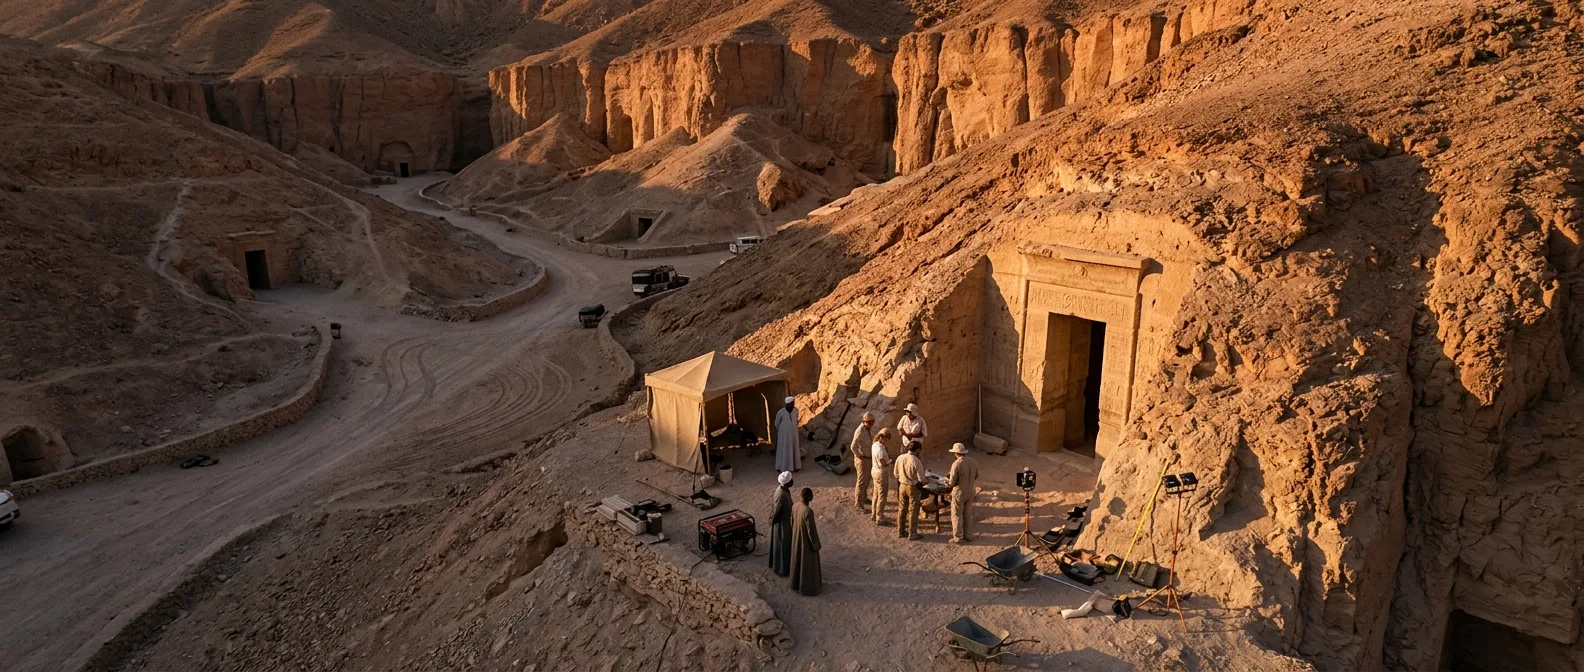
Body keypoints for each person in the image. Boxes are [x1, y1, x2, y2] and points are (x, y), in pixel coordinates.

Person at [789, 487, 822, 596]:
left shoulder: (795, 506)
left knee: (797, 562)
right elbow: (811, 531)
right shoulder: (808, 512)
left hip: (796, 538)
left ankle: (795, 584)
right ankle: (807, 588)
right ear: (809, 497)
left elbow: (792, 522)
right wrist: (816, 545)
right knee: (806, 565)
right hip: (805, 543)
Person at [946, 442, 980, 543]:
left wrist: (948, 480)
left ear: (956, 453)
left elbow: (952, 482)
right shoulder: (973, 461)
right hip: (970, 491)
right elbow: (976, 475)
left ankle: (957, 537)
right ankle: (968, 535)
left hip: (959, 492)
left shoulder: (956, 464)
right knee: (968, 514)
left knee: (957, 514)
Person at [894, 440, 927, 540]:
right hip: (912, 487)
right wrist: (927, 481)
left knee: (902, 508)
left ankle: (901, 531)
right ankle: (912, 533)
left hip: (902, 486)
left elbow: (895, 473)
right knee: (913, 510)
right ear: (917, 450)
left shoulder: (900, 458)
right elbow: (921, 479)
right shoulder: (916, 461)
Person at [769, 471, 794, 576]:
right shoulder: (781, 494)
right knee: (782, 545)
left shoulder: (785, 491)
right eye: (791, 480)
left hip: (786, 522)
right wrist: (772, 521)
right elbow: (776, 511)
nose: (792, 481)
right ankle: (781, 569)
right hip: (782, 524)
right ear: (787, 482)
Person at [849, 412, 876, 510]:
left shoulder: (867, 429)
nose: (871, 424)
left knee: (867, 480)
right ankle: (858, 504)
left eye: (872, 422)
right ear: (864, 422)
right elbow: (853, 446)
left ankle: (864, 498)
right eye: (869, 422)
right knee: (861, 482)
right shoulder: (860, 430)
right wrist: (858, 454)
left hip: (868, 458)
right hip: (862, 459)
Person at [869, 428, 894, 524]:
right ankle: (880, 517)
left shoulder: (875, 444)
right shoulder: (881, 450)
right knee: (882, 495)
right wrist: (890, 461)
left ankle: (874, 514)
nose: (887, 441)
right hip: (881, 473)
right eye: (887, 439)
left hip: (874, 471)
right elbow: (883, 463)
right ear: (883, 437)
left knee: (876, 493)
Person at [774, 396, 801, 472]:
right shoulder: (780, 412)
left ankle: (795, 467)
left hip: (794, 434)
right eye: (790, 404)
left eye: (793, 403)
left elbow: (796, 421)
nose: (792, 405)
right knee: (784, 450)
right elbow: (776, 423)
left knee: (794, 449)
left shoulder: (796, 411)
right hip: (784, 436)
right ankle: (781, 467)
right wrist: (783, 431)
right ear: (787, 404)